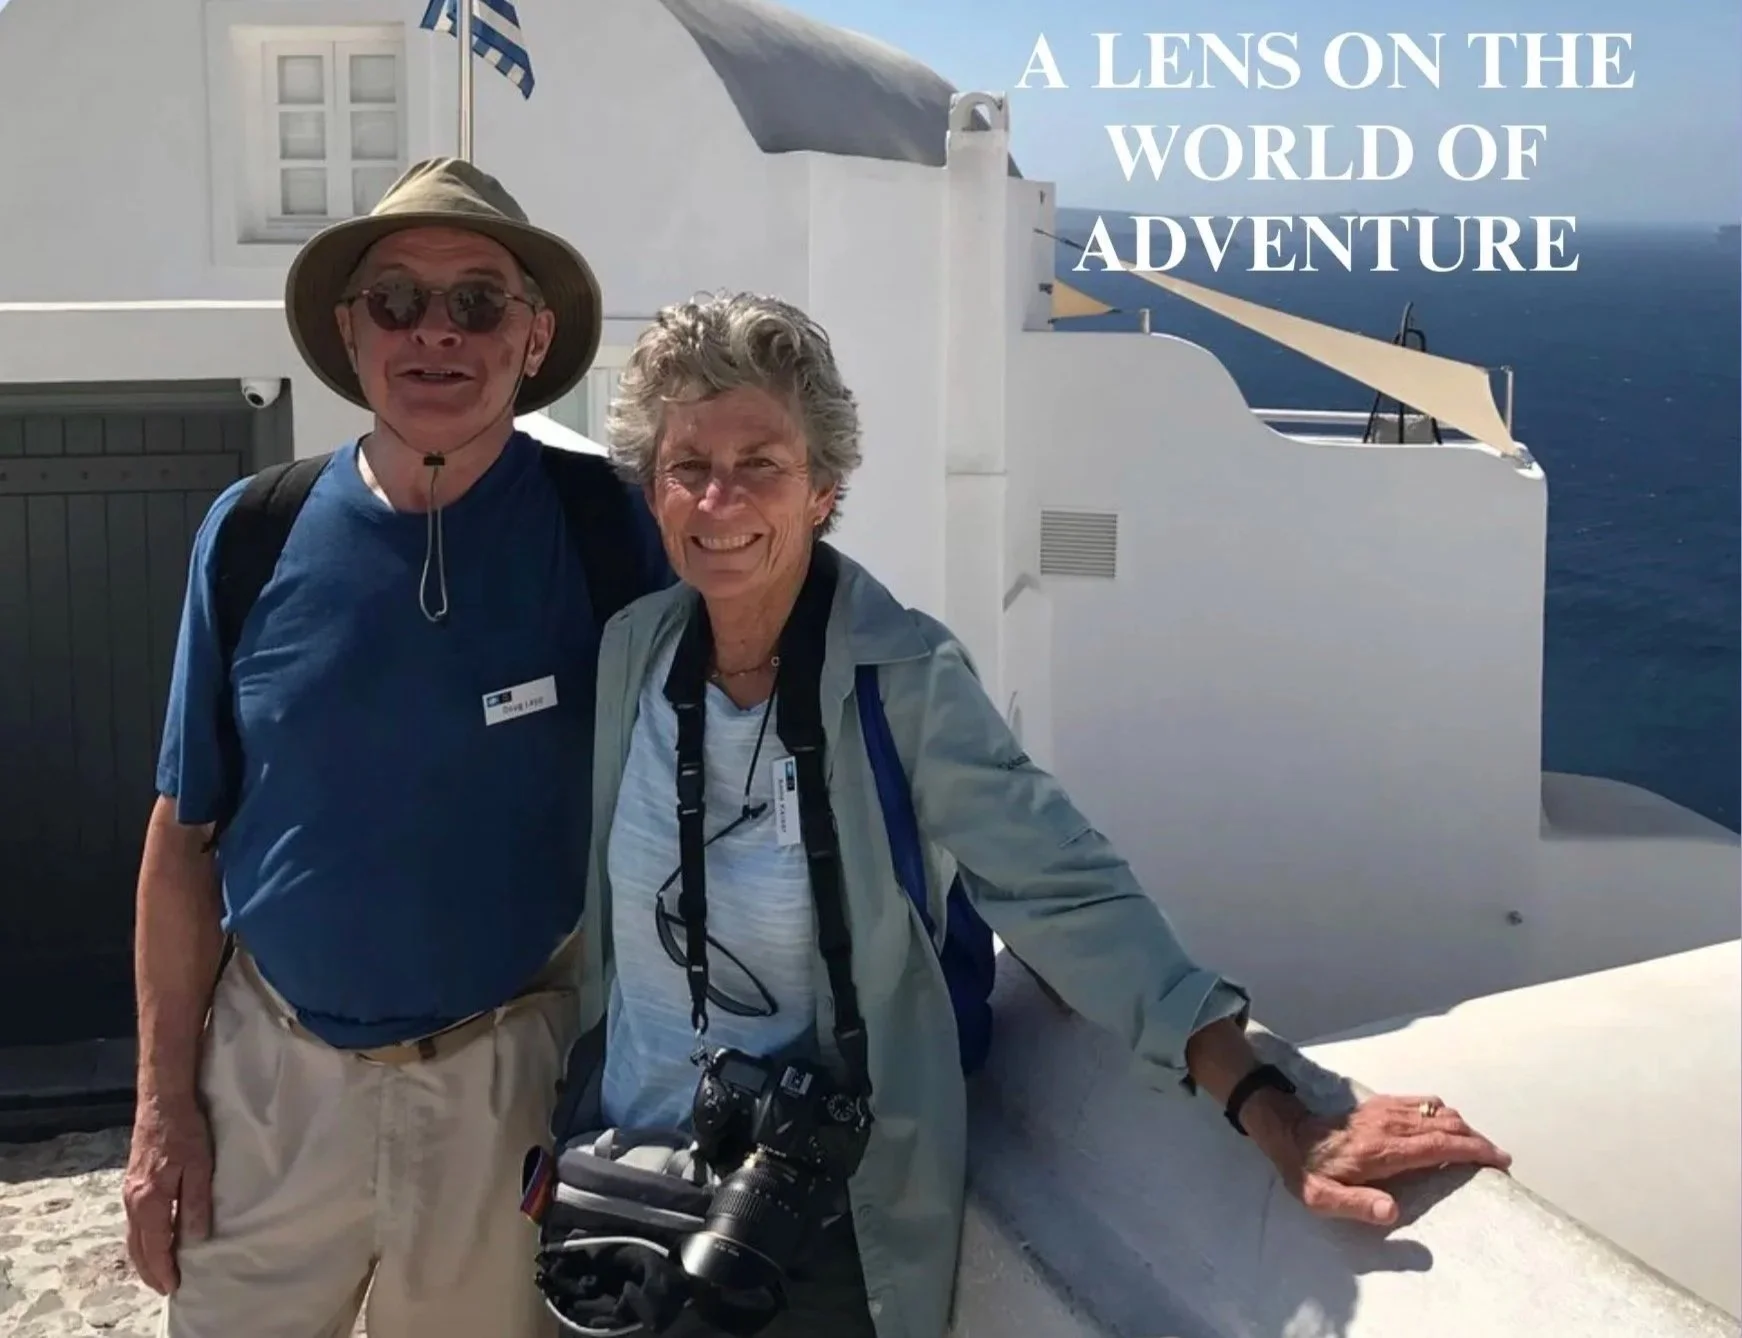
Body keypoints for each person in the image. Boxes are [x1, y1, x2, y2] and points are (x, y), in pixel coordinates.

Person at [560, 290, 1513, 1338]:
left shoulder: (902, 676)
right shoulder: (635, 652)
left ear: (823, 489)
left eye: (759, 466)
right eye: (687, 467)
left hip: (806, 1226)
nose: (718, 500)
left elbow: (1063, 888)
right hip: (623, 1181)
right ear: (652, 490)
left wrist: (1271, 1106)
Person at [125, 158, 668, 1338]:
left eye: (478, 301)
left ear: (532, 338)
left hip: (503, 1087)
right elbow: (183, 839)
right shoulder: (252, 532)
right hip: (267, 1085)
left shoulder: (609, 530)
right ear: (348, 330)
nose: (437, 333)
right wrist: (164, 1114)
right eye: (398, 300)